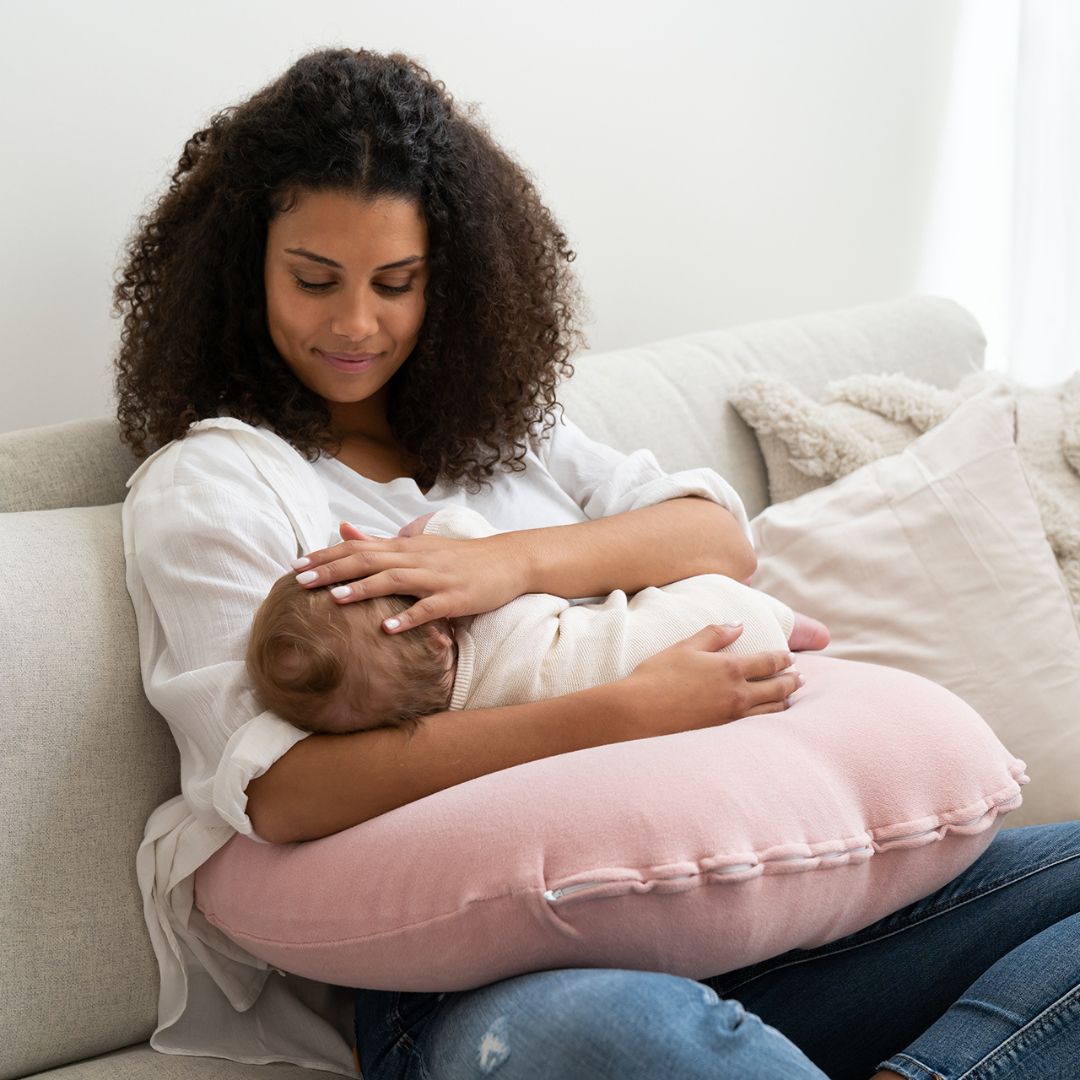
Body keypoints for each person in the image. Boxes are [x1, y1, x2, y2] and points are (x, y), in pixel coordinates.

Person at [115, 46, 1080, 1080]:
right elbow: (281, 793)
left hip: (742, 908)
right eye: (315, 280)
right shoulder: (215, 485)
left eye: (397, 283)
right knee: (631, 1041)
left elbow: (716, 536)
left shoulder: (501, 437)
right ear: (242, 269)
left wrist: (510, 567)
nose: (357, 323)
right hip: (476, 973)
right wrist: (622, 712)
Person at [246, 504, 818, 735]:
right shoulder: (489, 619)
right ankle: (798, 627)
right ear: (443, 630)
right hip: (720, 619)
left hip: (729, 673)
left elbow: (725, 539)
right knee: (669, 609)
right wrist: (422, 539)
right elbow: (454, 533)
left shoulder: (469, 713)